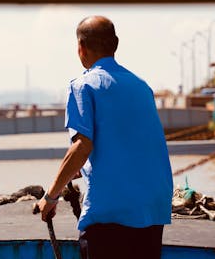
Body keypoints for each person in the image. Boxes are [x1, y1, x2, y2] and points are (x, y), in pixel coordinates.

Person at [37, 15, 173, 259]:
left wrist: (51, 197)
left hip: (113, 209)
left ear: (81, 48)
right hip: (152, 207)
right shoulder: (141, 86)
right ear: (116, 44)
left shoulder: (83, 86)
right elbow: (131, 141)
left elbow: (82, 146)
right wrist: (86, 168)